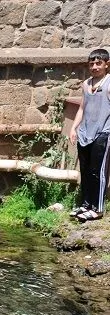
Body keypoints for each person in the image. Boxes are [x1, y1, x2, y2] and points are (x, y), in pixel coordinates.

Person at [69, 48, 110, 223]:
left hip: (103, 132)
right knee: (85, 171)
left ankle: (98, 209)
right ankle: (86, 205)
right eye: (91, 63)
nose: (94, 66)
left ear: (106, 64)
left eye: (98, 63)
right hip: (85, 133)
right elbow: (81, 108)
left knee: (98, 171)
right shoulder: (86, 84)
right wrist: (73, 128)